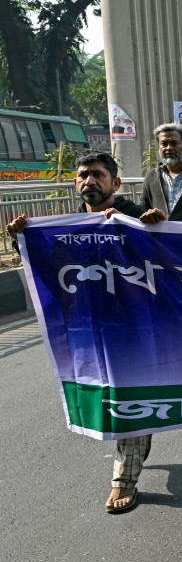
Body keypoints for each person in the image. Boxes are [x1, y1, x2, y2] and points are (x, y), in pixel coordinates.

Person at [6, 152, 149, 513]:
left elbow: (167, 253)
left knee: (126, 397)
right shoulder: (62, 226)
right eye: (83, 175)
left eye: (98, 175)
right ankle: (137, 445)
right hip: (88, 331)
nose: (90, 181)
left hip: (133, 328)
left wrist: (153, 226)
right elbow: (42, 262)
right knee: (107, 397)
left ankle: (124, 479)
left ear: (115, 183)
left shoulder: (134, 219)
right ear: (75, 183)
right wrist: (20, 238)